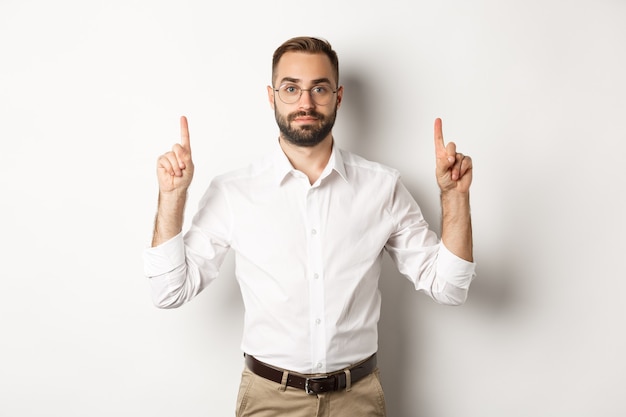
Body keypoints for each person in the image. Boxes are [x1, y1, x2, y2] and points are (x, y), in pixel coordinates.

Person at [143, 36, 475, 417]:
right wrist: (172, 197)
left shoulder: (382, 187)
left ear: (338, 96)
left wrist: (454, 198)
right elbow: (169, 292)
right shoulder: (233, 192)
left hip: (358, 400)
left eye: (319, 88)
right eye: (291, 88)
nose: (305, 103)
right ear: (272, 96)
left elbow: (448, 288)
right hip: (270, 400)